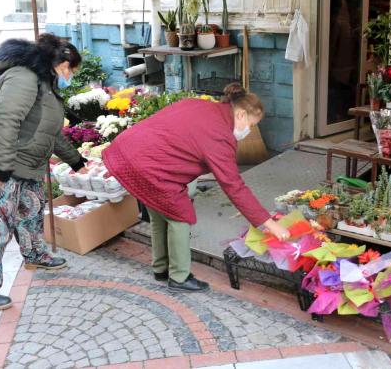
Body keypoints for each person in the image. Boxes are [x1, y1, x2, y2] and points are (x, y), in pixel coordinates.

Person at [103, 84, 290, 292]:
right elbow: (234, 187)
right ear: (240, 114)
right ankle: (179, 278)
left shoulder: (200, 105)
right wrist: (269, 224)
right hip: (151, 165)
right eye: (251, 125)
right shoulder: (221, 136)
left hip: (129, 149)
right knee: (181, 217)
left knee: (159, 213)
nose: (249, 131)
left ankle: (161, 268)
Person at [0, 34, 88, 311]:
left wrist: (77, 161)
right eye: (70, 69)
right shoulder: (23, 78)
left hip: (26, 166)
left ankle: (34, 254)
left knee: (31, 210)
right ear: (60, 62)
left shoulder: (48, 87)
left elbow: (51, 134)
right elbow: (5, 121)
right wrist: (3, 168)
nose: (70, 76)